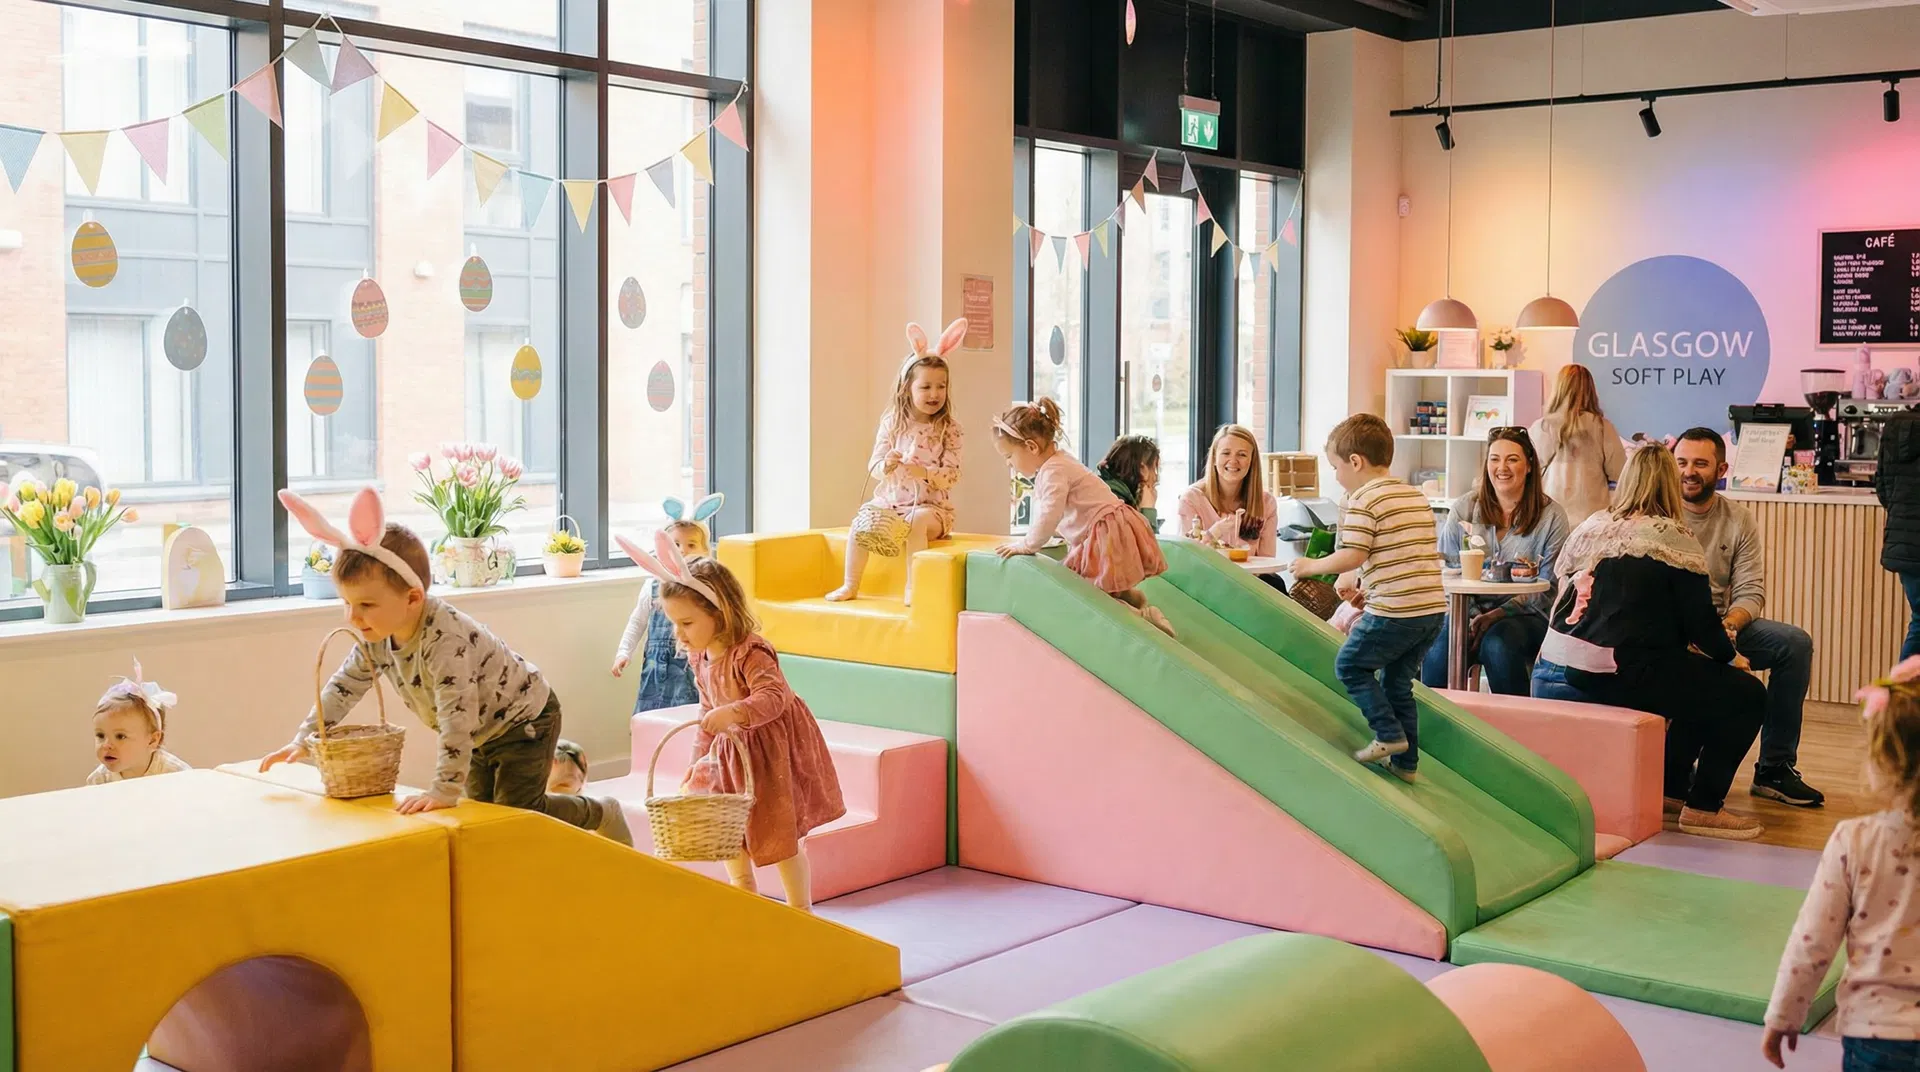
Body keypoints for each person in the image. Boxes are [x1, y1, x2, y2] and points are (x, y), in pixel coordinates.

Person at [262, 487, 632, 846]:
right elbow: (342, 688)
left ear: (412, 597)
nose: (353, 617)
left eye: (366, 605)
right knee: (482, 815)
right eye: (347, 603)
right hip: (480, 732)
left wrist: (443, 789)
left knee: (518, 811)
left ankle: (600, 812)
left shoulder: (445, 642)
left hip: (524, 720)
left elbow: (457, 716)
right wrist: (305, 739)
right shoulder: (376, 637)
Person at [1533, 444, 1766, 840]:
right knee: (1746, 695)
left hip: (1552, 665)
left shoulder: (1592, 525)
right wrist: (1732, 658)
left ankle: (1672, 788)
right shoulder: (1672, 537)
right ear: (1669, 485)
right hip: (1611, 672)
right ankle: (1704, 807)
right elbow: (1701, 626)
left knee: (1696, 682)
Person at [618, 531, 844, 911]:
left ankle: (801, 910)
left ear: (718, 612)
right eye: (674, 624)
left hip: (769, 750)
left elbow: (774, 698)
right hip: (733, 754)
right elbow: (706, 714)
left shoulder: (750, 651)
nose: (680, 635)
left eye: (687, 623)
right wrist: (696, 763)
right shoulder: (699, 657)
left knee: (777, 832)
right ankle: (744, 893)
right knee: (730, 831)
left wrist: (735, 712)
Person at [1762, 656, 1920, 1070]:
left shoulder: (1856, 840)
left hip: (1878, 1034)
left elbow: (1813, 941)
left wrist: (1784, 1015)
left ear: (1882, 760)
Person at [1288, 414, 1444, 780]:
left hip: (1395, 610)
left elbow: (1353, 555)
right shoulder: (1413, 495)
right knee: (1396, 683)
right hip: (1431, 611)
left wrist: (1309, 567)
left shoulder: (1363, 498)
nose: (1337, 476)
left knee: (1349, 665)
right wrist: (1366, 589)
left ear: (1355, 462)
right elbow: (1400, 555)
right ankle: (1407, 764)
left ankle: (1388, 735)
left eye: (1336, 467)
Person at [1675, 427, 1824, 809]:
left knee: (1794, 643)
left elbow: (1750, 591)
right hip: (1670, 628)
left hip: (1724, 624)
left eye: (1700, 464)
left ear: (1721, 468)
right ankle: (1674, 768)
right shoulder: (1661, 512)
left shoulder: (1738, 518)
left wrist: (1727, 628)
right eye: (1681, 462)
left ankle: (1774, 768)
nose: (1688, 472)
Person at [992, 398, 1176, 637]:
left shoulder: (1053, 471)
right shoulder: (1061, 459)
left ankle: (1141, 618)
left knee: (1085, 592)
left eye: (1009, 456)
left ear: (1031, 447)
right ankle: (1137, 601)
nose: (1009, 464)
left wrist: (1028, 544)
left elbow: (1050, 513)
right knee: (1105, 587)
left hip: (1104, 531)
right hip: (1112, 525)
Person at [828, 319, 967, 606]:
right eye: (926, 387)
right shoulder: (892, 423)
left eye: (941, 386)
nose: (934, 394)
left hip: (932, 510)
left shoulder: (949, 428)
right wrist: (886, 465)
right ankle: (850, 584)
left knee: (915, 523)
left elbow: (952, 475)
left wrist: (923, 472)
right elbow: (875, 465)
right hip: (891, 504)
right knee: (860, 522)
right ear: (907, 389)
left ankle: (913, 587)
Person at [1420, 428, 1569, 696]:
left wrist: (1496, 615)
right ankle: (1430, 729)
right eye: (1494, 459)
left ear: (1530, 466)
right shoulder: (1464, 508)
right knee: (1442, 643)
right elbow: (1446, 571)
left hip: (1526, 617)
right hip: (1464, 612)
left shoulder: (1552, 517)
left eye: (1512, 459)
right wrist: (1473, 617)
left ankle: (1512, 732)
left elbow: (1549, 588)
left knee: (1498, 643)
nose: (1502, 467)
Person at [612, 495, 721, 713]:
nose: (682, 550)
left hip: (693, 669)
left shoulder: (705, 588)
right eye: (675, 544)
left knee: (691, 719)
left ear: (705, 551)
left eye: (691, 545)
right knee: (653, 719)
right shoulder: (652, 586)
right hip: (655, 670)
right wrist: (624, 652)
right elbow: (637, 621)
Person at [1528, 363, 1626, 525]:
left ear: (1558, 389)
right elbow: (1620, 473)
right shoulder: (1602, 428)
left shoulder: (1541, 427)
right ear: (1590, 389)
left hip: (1549, 518)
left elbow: (1530, 472)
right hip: (1591, 520)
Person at [1177, 424, 1279, 557]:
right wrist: (1213, 533)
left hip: (1251, 577)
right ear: (1214, 458)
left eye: (1242, 455)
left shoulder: (1266, 503)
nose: (1233, 461)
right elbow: (1186, 557)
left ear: (1252, 462)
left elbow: (1267, 561)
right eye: (1226, 453)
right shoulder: (1191, 499)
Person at [87, 660, 191, 784]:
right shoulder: (100, 780)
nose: (106, 745)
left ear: (152, 740)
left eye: (120, 736)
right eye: (100, 735)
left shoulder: (175, 773)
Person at [1876, 411, 1920, 660]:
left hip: (1905, 543)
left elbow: (1883, 487)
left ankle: (1900, 697)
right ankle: (1899, 696)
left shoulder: (1895, 425)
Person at [1097, 435, 1162, 533]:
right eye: (1154, 469)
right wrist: (1148, 510)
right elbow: (1147, 546)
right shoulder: (1117, 504)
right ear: (1143, 469)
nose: (1156, 478)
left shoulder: (1105, 491)